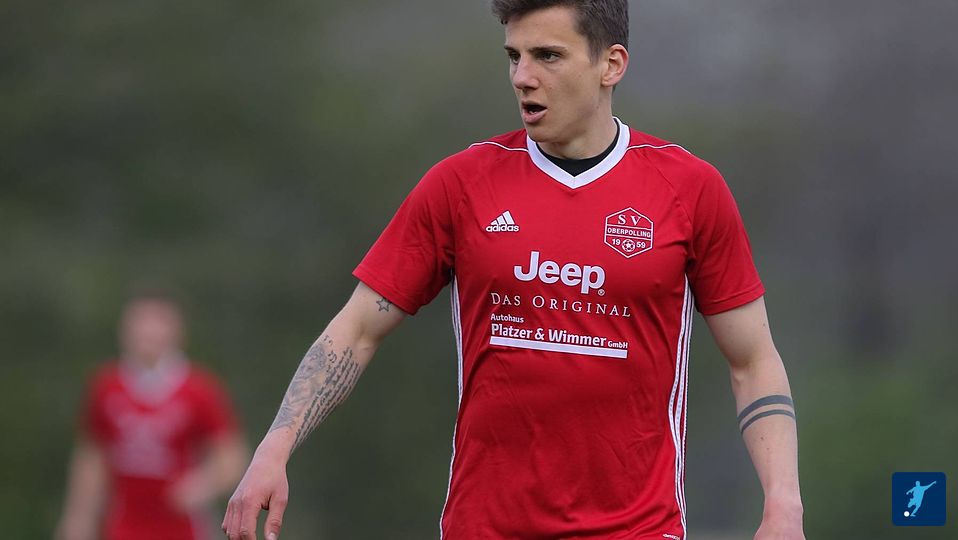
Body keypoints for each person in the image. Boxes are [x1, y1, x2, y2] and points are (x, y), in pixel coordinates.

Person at [222, 1, 805, 538]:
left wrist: (783, 504)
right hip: (484, 527)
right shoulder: (460, 184)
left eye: (547, 56)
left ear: (611, 65)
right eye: (514, 56)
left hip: (637, 529)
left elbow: (752, 362)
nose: (522, 77)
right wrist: (276, 447)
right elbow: (356, 330)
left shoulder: (689, 189)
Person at [57, 290, 248, 540]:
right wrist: (78, 519)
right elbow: (92, 458)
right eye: (140, 321)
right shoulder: (106, 386)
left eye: (158, 321)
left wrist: (200, 486)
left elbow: (232, 459)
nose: (148, 330)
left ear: (177, 330)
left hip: (184, 528)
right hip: (124, 526)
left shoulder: (200, 389)